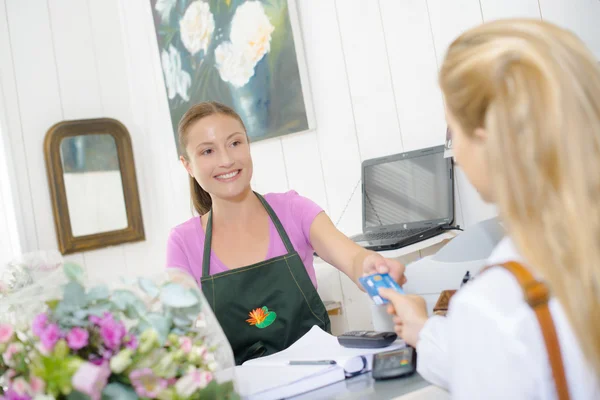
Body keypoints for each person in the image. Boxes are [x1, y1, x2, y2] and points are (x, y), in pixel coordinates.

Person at [379, 19, 600, 399]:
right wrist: (424, 329)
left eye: (452, 130)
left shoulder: (495, 302)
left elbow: (504, 345)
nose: (457, 156)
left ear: (484, 137)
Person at [166, 101, 406, 365]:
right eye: (208, 151)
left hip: (320, 381)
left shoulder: (293, 210)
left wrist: (371, 265)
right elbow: (180, 336)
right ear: (187, 165)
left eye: (235, 143)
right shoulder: (183, 243)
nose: (226, 160)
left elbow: (353, 258)